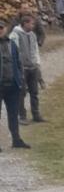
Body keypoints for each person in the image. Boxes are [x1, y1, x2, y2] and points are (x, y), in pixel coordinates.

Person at [0, 17, 30, 150]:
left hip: (13, 85)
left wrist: (21, 81)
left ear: (5, 29)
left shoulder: (12, 44)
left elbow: (18, 63)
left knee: (13, 114)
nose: (0, 30)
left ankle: (16, 140)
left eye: (1, 28)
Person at [9, 14, 45, 123]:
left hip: (33, 67)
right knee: (21, 93)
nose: (33, 25)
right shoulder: (15, 35)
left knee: (34, 92)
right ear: (25, 23)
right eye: (31, 23)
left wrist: (37, 63)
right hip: (22, 68)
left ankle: (36, 115)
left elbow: (35, 50)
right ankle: (22, 116)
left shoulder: (33, 35)